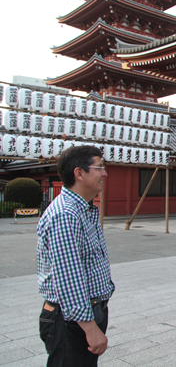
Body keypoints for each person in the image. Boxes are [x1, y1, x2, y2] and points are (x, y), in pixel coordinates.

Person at [37, 146, 114, 366]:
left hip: (85, 313)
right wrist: (90, 328)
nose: (105, 173)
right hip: (70, 321)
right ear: (79, 173)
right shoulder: (66, 214)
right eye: (99, 167)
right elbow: (68, 278)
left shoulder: (84, 208)